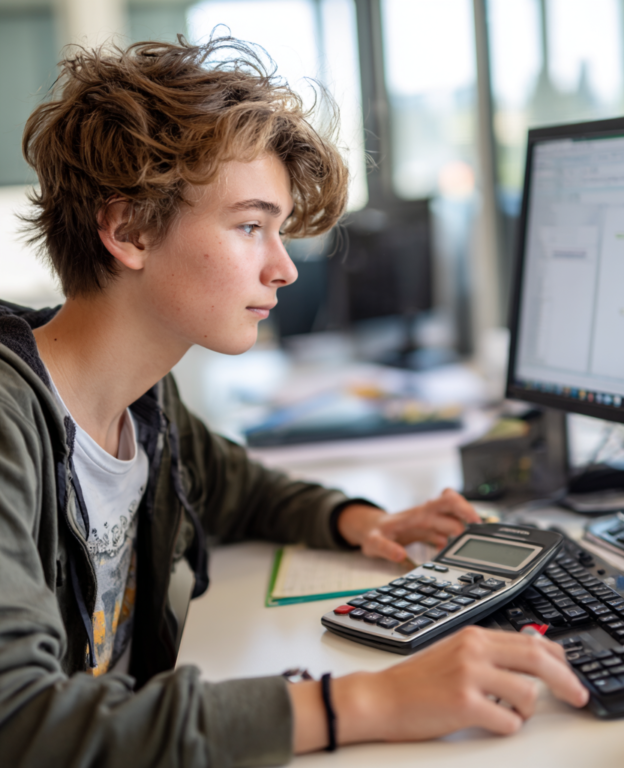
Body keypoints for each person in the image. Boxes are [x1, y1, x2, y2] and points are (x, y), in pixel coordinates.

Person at [0, 36, 588, 767]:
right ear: (128, 230)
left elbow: (240, 491)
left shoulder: (143, 404)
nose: (281, 268)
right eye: (251, 226)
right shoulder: (9, 423)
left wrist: (362, 520)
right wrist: (369, 701)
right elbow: (23, 724)